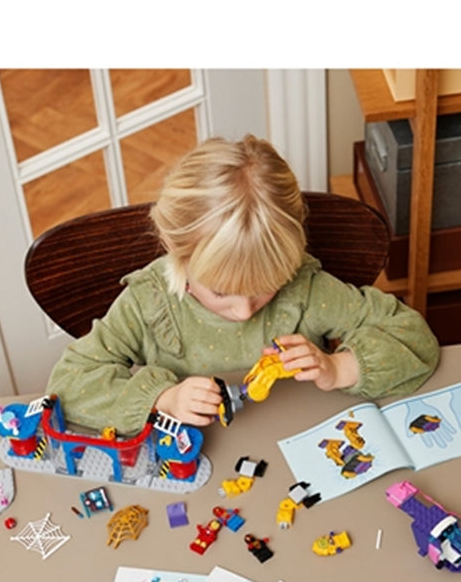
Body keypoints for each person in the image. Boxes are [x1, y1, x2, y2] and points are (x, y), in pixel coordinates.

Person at [45, 135, 440, 434]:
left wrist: (337, 367)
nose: (245, 310)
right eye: (221, 292)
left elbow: (413, 338)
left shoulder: (305, 290)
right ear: (177, 252)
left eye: (267, 286)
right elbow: (68, 386)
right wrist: (163, 398)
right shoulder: (149, 302)